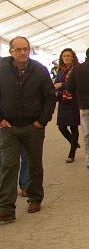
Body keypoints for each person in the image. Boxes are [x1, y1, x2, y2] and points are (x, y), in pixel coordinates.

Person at [0, 36, 56, 223]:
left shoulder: (39, 70)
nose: (23, 52)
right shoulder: (1, 68)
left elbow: (49, 97)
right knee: (8, 166)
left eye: (25, 49)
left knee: (34, 164)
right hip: (9, 128)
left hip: (33, 127)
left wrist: (41, 121)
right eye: (18, 49)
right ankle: (6, 208)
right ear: (11, 52)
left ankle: (35, 198)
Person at [53, 48, 81, 163]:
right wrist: (56, 85)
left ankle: (71, 153)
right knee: (62, 127)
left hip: (74, 100)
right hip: (63, 101)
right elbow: (57, 82)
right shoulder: (60, 69)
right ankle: (74, 143)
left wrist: (62, 85)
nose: (66, 58)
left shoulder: (77, 69)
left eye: (69, 56)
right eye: (64, 56)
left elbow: (76, 83)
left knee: (74, 127)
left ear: (73, 57)